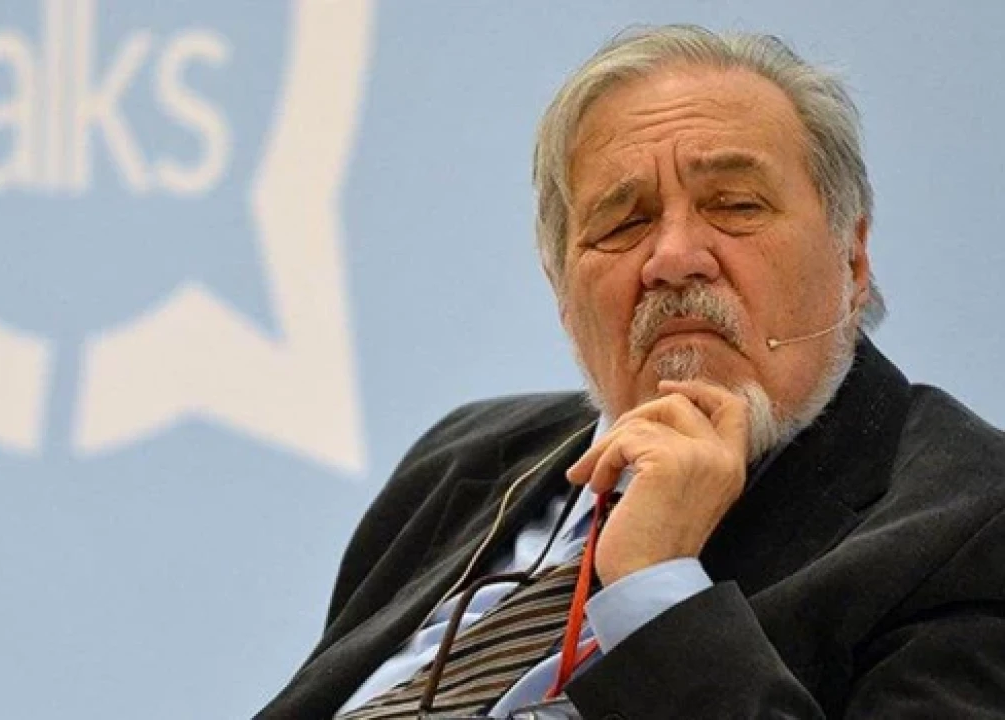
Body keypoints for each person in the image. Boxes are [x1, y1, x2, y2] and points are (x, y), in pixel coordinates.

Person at [258, 24, 1005, 719]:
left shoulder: (969, 524)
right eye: (624, 223)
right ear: (561, 289)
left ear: (854, 256)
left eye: (735, 206)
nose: (673, 258)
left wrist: (655, 587)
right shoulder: (465, 458)